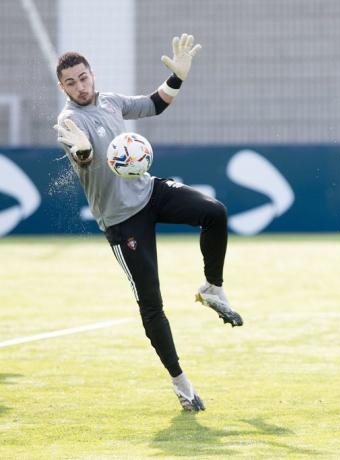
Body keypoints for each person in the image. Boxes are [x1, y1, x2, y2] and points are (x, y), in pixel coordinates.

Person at [54, 34, 243, 412]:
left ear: (92, 75)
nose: (80, 85)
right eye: (71, 82)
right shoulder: (68, 122)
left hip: (150, 192)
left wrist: (178, 77)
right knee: (152, 304)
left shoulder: (109, 101)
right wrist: (81, 149)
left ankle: (213, 289)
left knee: (215, 213)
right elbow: (85, 155)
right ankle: (182, 384)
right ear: (63, 87)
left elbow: (154, 105)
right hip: (122, 222)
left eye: (83, 76)